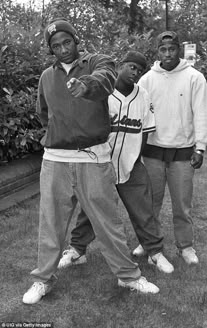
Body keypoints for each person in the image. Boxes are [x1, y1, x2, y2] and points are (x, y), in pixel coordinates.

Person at [22, 18, 160, 305]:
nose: (63, 49)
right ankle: (42, 280)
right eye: (56, 46)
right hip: (56, 160)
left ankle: (129, 276)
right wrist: (63, 131)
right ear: (51, 50)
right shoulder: (47, 77)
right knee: (51, 223)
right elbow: (43, 114)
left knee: (108, 222)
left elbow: (105, 80)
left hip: (94, 159)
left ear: (76, 40)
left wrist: (85, 86)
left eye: (67, 42)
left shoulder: (98, 62)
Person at [58, 51, 174, 274]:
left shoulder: (143, 96)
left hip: (131, 164)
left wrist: (135, 159)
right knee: (91, 210)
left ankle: (154, 252)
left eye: (139, 70)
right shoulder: (103, 93)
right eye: (131, 67)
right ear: (120, 65)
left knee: (143, 211)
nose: (135, 72)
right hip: (101, 163)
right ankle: (77, 250)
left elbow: (145, 132)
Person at [135, 31, 207, 264]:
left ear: (179, 49)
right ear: (157, 51)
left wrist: (200, 147)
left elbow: (201, 112)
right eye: (163, 49)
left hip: (183, 152)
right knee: (150, 203)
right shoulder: (147, 79)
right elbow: (137, 115)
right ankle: (147, 243)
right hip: (153, 153)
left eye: (172, 48)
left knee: (182, 204)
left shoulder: (194, 77)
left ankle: (185, 246)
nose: (167, 53)